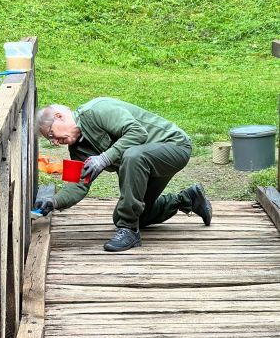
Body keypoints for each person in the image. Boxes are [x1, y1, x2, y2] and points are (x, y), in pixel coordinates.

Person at [35, 98, 212, 252]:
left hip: (173, 147)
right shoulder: (77, 148)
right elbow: (78, 184)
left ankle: (129, 231)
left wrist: (105, 158)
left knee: (132, 156)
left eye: (52, 134)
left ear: (59, 116)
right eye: (51, 140)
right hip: (143, 166)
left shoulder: (96, 110)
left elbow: (137, 132)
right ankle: (188, 199)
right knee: (126, 215)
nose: (55, 142)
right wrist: (55, 201)